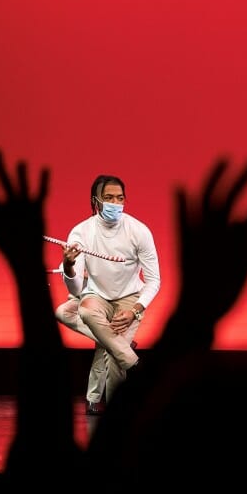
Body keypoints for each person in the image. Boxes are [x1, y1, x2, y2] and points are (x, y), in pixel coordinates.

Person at [54, 174, 159, 412]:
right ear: (96, 200)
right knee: (81, 312)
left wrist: (134, 311)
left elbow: (153, 281)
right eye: (108, 198)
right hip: (97, 296)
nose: (115, 203)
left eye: (120, 198)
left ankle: (112, 411)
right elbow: (76, 289)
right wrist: (69, 267)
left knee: (112, 356)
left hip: (129, 299)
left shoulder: (139, 231)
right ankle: (132, 361)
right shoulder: (81, 232)